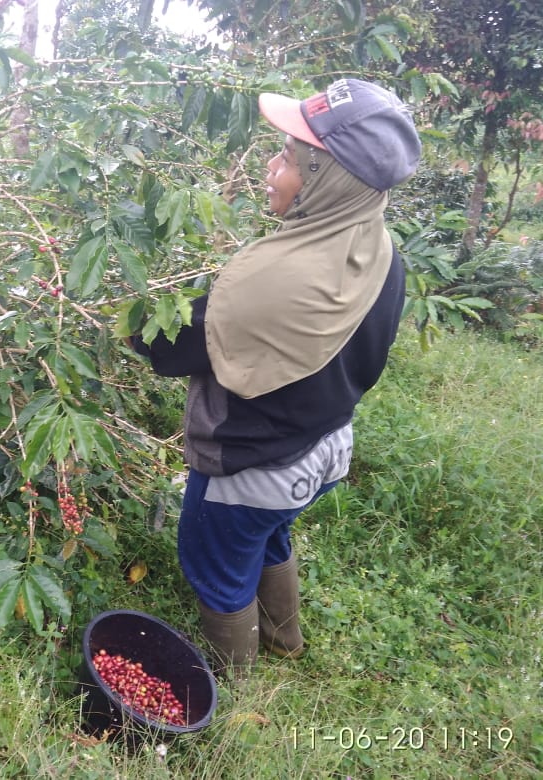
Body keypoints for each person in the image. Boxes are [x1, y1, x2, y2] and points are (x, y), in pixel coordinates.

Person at [128, 78, 421, 677]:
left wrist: (123, 318)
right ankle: (285, 639)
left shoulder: (273, 287)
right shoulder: (380, 253)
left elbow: (169, 345)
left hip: (249, 468)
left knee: (215, 563)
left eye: (288, 157)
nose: (270, 165)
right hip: (322, 452)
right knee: (271, 534)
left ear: (325, 179)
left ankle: (232, 679)